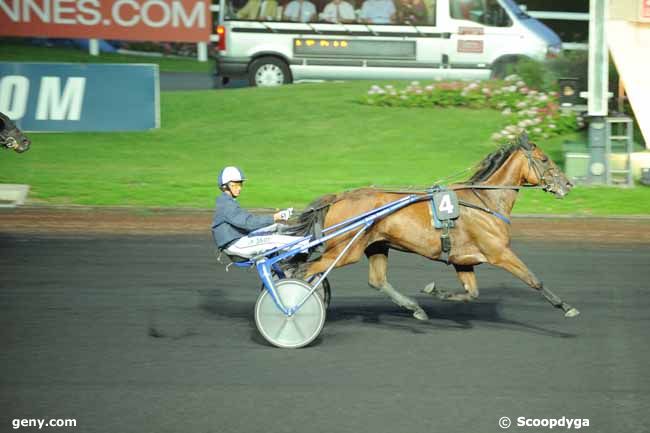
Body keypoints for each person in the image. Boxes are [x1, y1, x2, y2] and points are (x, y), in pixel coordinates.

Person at [211, 166, 310, 258]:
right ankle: (309, 244)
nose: (239, 188)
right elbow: (249, 223)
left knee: (276, 227)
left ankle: (304, 235)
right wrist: (275, 217)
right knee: (274, 240)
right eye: (235, 185)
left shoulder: (228, 201)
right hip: (235, 244)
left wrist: (276, 218)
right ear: (225, 187)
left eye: (240, 184)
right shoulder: (226, 204)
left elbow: (249, 221)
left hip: (240, 238)